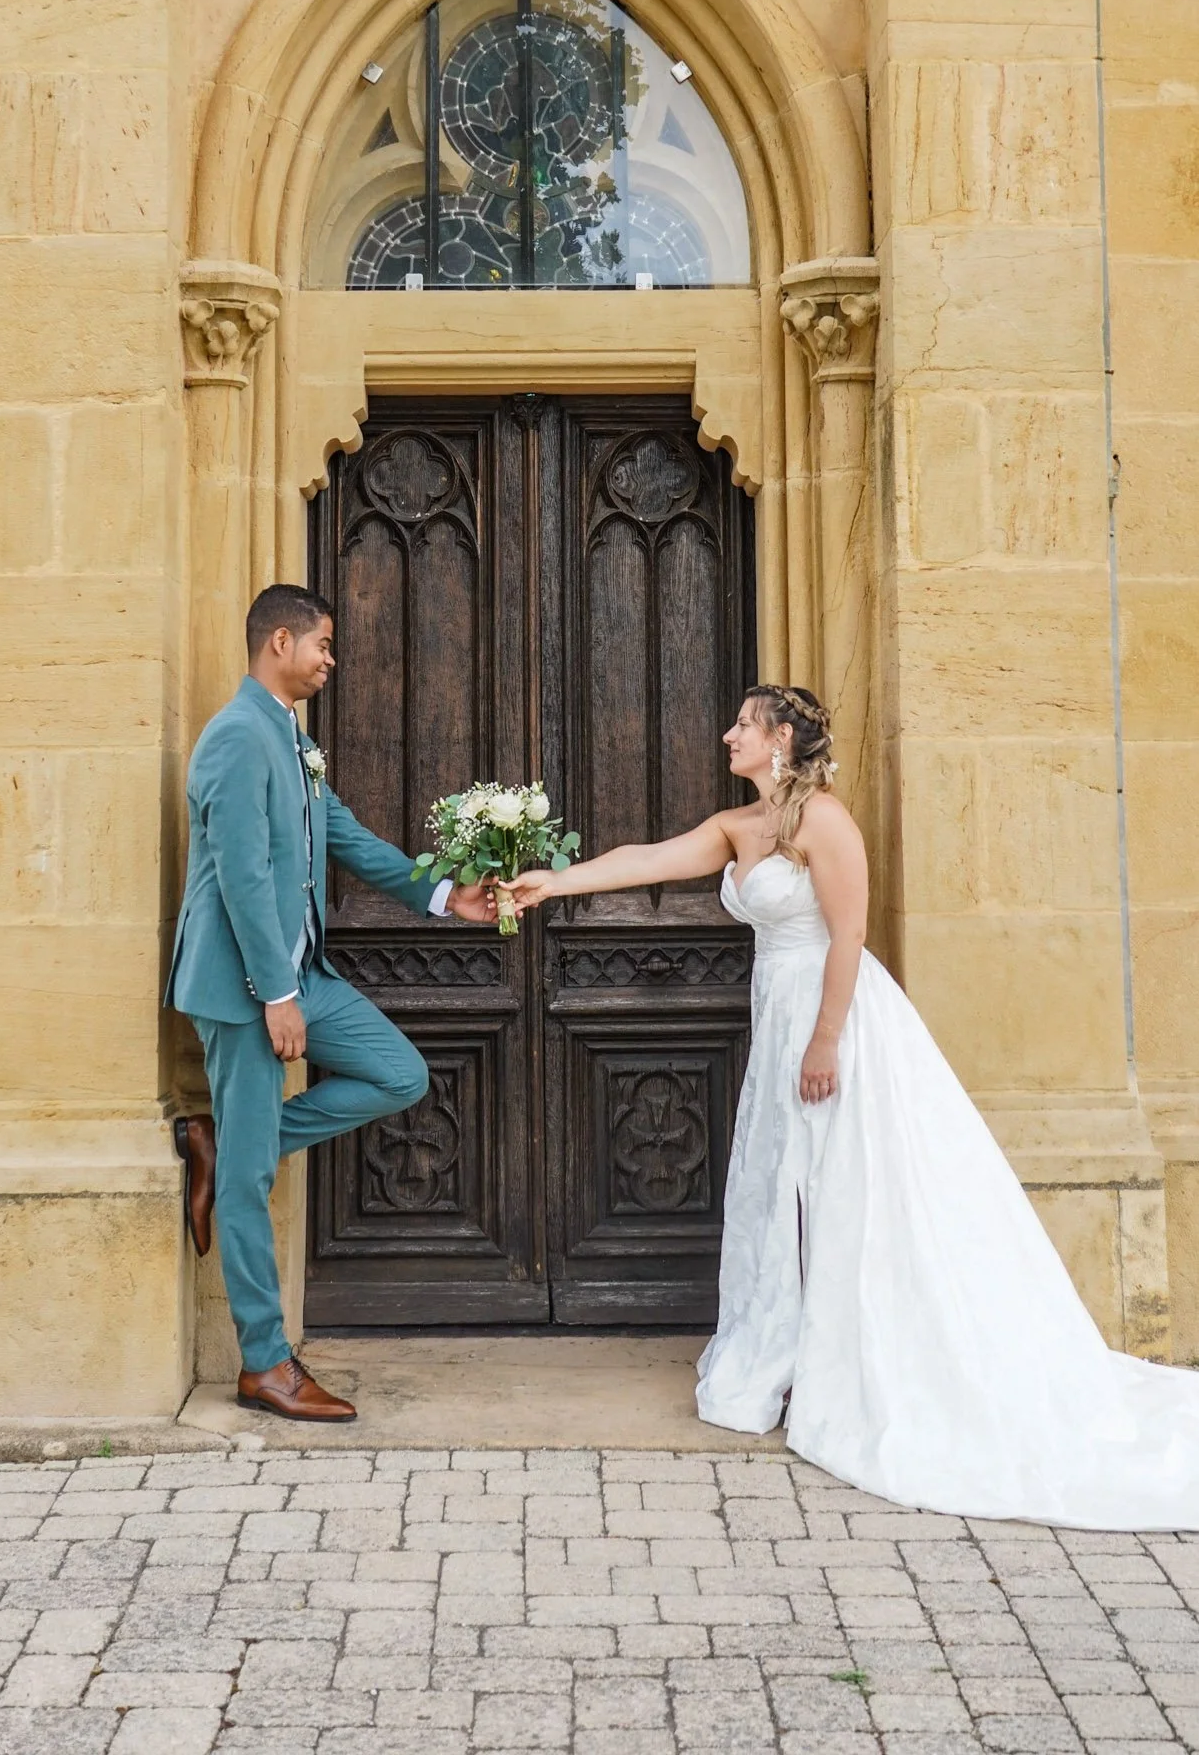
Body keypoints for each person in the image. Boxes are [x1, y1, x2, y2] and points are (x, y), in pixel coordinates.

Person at [506, 683, 1199, 1528]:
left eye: (743, 726)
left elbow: (848, 932)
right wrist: (554, 882)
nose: (727, 736)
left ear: (782, 740)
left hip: (834, 1022)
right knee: (781, 1183)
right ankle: (787, 1351)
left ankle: (863, 1360)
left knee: (848, 1186)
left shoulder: (823, 823)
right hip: (779, 1018)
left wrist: (827, 1039)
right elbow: (644, 858)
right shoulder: (740, 826)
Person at [166, 584, 494, 1422]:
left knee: (398, 1073)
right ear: (280, 640)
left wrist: (445, 896)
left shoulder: (291, 737)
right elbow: (238, 875)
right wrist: (276, 993)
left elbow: (344, 837)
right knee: (245, 1183)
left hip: (299, 970)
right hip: (246, 981)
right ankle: (264, 1363)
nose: (330, 660)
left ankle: (223, 1139)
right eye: (322, 644)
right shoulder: (237, 737)